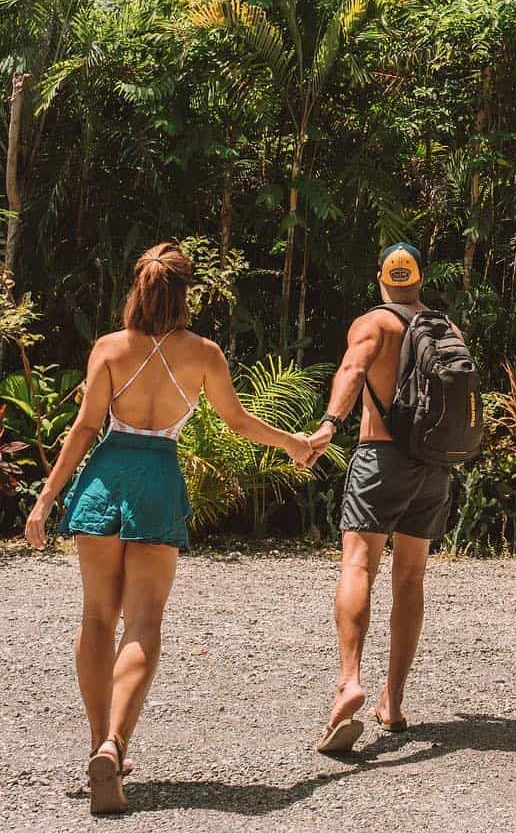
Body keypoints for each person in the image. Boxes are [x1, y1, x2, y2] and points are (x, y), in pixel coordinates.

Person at [23, 242, 314, 815]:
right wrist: (294, 443)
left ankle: (95, 740)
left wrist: (46, 497)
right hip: (158, 481)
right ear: (185, 293)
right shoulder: (203, 354)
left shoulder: (110, 348)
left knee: (96, 618)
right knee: (144, 622)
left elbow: (83, 430)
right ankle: (115, 743)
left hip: (106, 476)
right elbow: (237, 421)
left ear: (138, 287)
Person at [306, 242, 455, 754]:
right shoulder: (445, 328)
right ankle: (392, 703)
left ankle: (350, 681)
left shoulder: (374, 324)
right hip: (433, 465)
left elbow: (351, 370)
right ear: (420, 278)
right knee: (410, 576)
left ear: (380, 279)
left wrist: (329, 424)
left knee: (358, 565)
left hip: (380, 457)